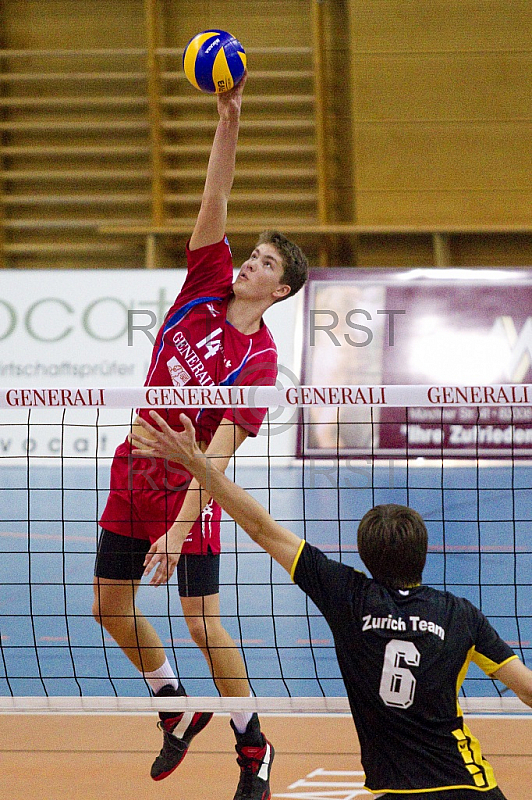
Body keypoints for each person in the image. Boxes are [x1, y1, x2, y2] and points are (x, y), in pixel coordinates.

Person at [92, 70, 308, 800]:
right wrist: (229, 120)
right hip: (133, 468)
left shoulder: (260, 358)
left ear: (278, 291)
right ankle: (175, 704)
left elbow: (219, 456)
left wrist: (180, 530)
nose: (251, 263)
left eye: (266, 264)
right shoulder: (204, 283)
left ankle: (254, 746)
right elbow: (214, 197)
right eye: (254, 254)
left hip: (193, 489)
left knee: (202, 622)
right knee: (109, 608)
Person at [131, 410, 532, 800]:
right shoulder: (460, 614)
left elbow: (261, 527)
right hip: (472, 787)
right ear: (423, 553)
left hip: (396, 790)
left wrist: (196, 464)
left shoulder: (348, 596)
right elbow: (527, 690)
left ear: (366, 556)